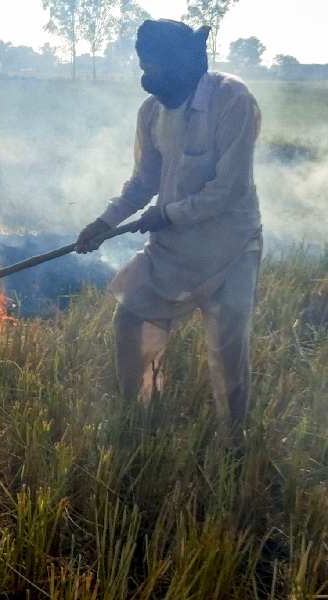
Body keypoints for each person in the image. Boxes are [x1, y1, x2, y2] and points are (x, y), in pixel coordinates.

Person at [74, 19, 263, 442]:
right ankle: (142, 419)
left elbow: (229, 189)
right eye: (143, 65)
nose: (146, 76)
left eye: (154, 66)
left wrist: (169, 213)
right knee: (132, 318)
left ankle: (234, 443)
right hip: (172, 248)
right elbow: (144, 182)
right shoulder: (152, 112)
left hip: (230, 247)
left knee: (227, 351)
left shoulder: (233, 100)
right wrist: (105, 223)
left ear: (183, 66)